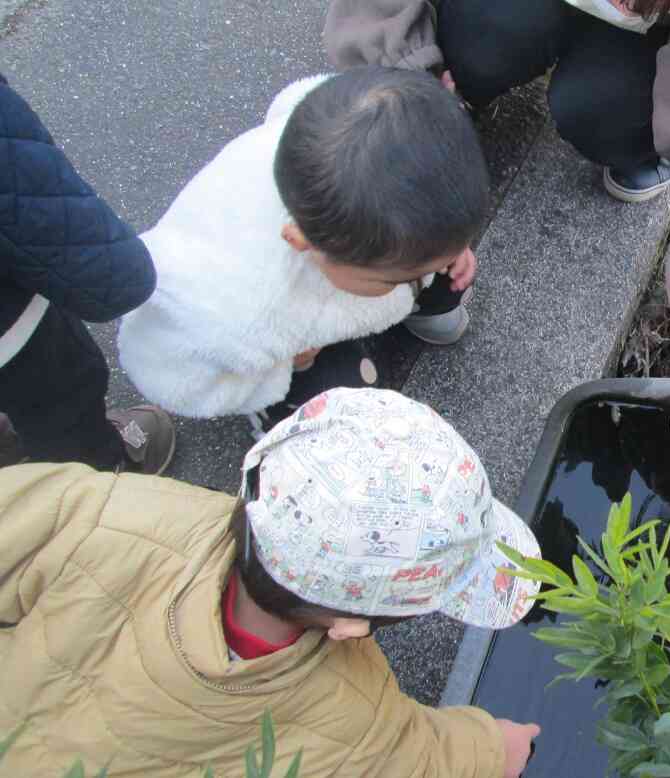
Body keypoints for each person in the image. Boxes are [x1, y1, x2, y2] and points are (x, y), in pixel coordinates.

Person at [324, 0, 670, 521]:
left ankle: (645, 146)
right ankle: (457, 86)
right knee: (488, 33)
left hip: (650, 47)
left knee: (598, 106)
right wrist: (409, 94)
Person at [0, 387, 542, 777]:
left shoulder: (105, 512)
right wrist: (498, 748)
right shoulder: (352, 717)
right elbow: (418, 756)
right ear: (350, 625)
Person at [117, 67, 490, 431]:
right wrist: (279, 368)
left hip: (351, 264)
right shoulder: (235, 310)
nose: (425, 271)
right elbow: (178, 379)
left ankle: (427, 279)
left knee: (442, 263)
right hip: (281, 348)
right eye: (396, 278)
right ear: (301, 243)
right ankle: (278, 417)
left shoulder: (343, 132)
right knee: (339, 402)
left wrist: (450, 248)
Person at [0, 72, 177, 474]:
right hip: (10, 329)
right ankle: (102, 469)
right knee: (60, 398)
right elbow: (28, 197)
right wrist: (122, 276)